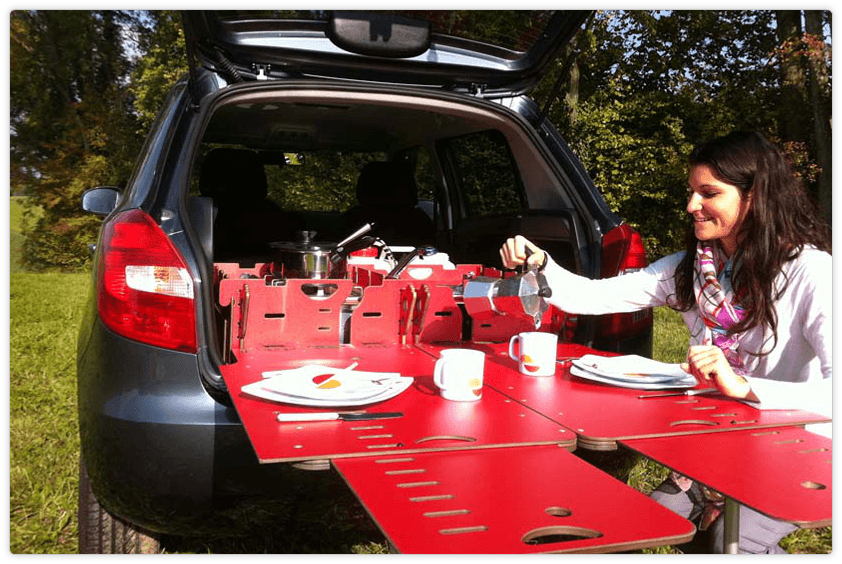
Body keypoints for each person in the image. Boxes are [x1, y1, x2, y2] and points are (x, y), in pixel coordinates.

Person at [499, 131, 833, 554]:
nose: (692, 206)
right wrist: (541, 262)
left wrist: (746, 388)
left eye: (708, 193)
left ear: (756, 196)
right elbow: (595, 296)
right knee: (641, 527)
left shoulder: (811, 273)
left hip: (798, 449)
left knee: (732, 545)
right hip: (718, 442)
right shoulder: (692, 267)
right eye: (692, 192)